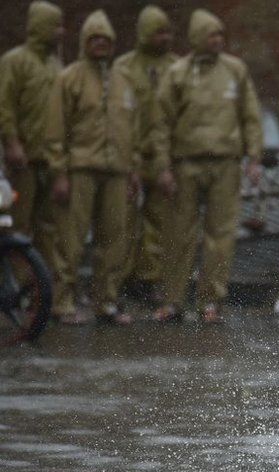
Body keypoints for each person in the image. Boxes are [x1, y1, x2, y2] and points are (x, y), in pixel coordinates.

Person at [153, 9, 263, 324]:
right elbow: (161, 123)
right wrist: (162, 166)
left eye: (220, 35)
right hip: (185, 163)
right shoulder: (178, 73)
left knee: (221, 235)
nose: (218, 41)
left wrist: (253, 156)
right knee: (179, 233)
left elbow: (250, 115)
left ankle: (209, 302)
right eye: (212, 35)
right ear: (198, 38)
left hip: (226, 164)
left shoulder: (235, 70)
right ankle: (172, 300)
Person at [45, 10, 143, 325]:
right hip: (79, 169)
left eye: (106, 39)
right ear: (85, 42)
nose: (101, 43)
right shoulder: (69, 78)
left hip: (116, 170)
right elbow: (55, 129)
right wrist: (59, 172)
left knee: (114, 240)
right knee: (70, 240)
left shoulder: (123, 81)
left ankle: (107, 303)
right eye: (95, 38)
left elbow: (133, 129)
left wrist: (133, 170)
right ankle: (62, 302)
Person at [114, 5, 178, 301]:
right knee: (123, 220)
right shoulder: (124, 68)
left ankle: (149, 280)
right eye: (158, 32)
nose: (164, 38)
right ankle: (119, 279)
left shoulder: (176, 67)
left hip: (164, 156)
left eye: (167, 31)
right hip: (130, 156)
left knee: (160, 221)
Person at [0, 1, 64, 267]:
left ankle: (40, 292)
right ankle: (14, 289)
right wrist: (12, 143)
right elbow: (5, 106)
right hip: (23, 161)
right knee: (17, 225)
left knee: (48, 228)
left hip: (50, 161)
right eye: (56, 26)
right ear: (41, 26)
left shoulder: (57, 66)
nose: (62, 32)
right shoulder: (15, 61)